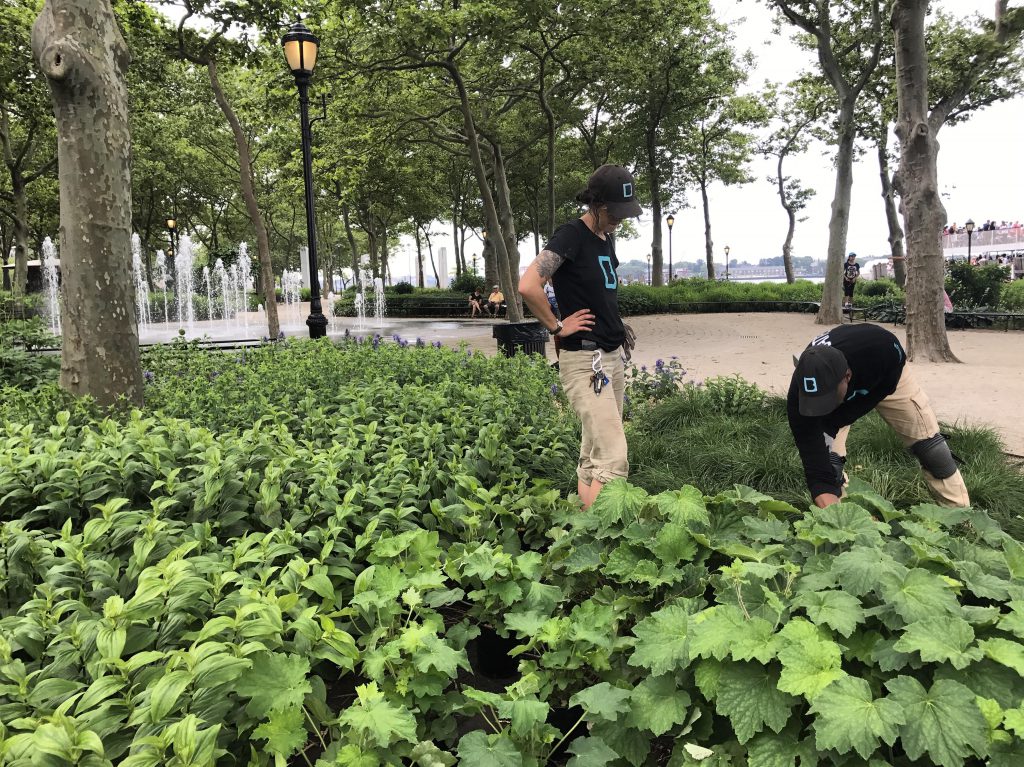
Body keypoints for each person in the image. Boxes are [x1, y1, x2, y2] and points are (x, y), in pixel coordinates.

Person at [518, 164, 640, 509]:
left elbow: (600, 293)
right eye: (614, 213)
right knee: (614, 459)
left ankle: (584, 528)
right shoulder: (571, 234)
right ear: (595, 205)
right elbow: (528, 285)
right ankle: (601, 542)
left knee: (594, 454)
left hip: (611, 356)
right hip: (587, 360)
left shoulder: (606, 238)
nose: (619, 220)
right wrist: (557, 326)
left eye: (624, 213)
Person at [788, 324, 970, 509]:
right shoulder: (802, 393)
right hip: (839, 386)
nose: (823, 408)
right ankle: (843, 525)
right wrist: (835, 517)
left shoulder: (879, 351)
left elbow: (884, 388)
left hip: (887, 375)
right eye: (817, 403)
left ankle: (961, 517)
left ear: (847, 377)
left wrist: (836, 421)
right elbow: (815, 468)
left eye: (827, 401)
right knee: (829, 466)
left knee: (932, 451)